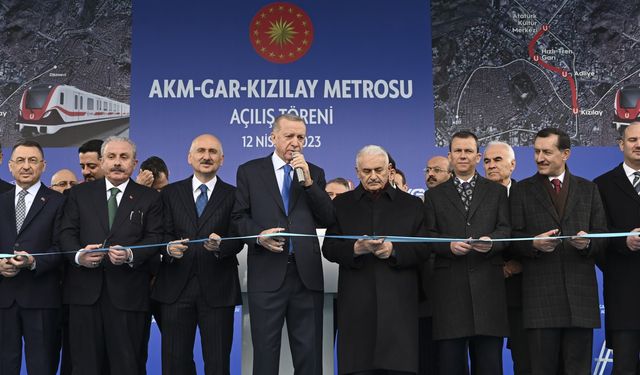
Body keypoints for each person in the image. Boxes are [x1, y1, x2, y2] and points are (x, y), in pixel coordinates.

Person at [232, 114, 334, 375]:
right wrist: (258, 235)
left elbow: (327, 218)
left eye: (301, 137)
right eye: (289, 136)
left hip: (306, 276)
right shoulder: (250, 171)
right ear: (273, 137)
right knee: (265, 355)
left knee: (309, 356)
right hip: (266, 274)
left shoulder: (315, 173)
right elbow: (238, 217)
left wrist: (309, 183)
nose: (295, 142)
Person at [59, 136, 163, 375]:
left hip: (129, 297)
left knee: (127, 366)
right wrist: (78, 256)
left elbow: (156, 238)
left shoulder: (150, 197)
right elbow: (66, 233)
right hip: (84, 296)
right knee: (85, 367)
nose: (118, 163)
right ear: (102, 162)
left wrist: (129, 254)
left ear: (134, 163)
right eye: (112, 157)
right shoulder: (79, 194)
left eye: (124, 157)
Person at [323, 145, 429, 375]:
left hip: (400, 308)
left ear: (390, 170)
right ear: (357, 172)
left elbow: (424, 248)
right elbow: (329, 248)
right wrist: (355, 249)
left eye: (378, 170)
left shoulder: (412, 205)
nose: (373, 176)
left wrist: (394, 251)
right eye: (367, 171)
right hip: (356, 307)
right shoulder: (341, 204)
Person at [510, 128, 607, 375]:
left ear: (565, 154)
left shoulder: (589, 189)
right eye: (536, 151)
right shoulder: (521, 190)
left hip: (580, 299)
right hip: (539, 300)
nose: (539, 157)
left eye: (547, 152)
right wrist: (532, 243)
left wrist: (588, 243)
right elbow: (512, 238)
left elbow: (602, 238)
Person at [152, 134, 243, 375]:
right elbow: (158, 235)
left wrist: (222, 246)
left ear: (222, 160)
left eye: (213, 152)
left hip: (218, 289)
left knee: (217, 364)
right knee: (175, 363)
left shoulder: (235, 194)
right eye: (201, 151)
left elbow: (239, 237)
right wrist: (167, 248)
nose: (206, 156)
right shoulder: (170, 193)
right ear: (189, 158)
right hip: (175, 288)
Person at [424, 131, 510, 375]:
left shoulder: (496, 192)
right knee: (451, 367)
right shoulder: (433, 196)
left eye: (468, 151)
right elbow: (427, 236)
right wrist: (447, 245)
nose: (463, 156)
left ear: (478, 156)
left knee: (490, 366)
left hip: (488, 293)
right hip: (449, 295)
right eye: (458, 151)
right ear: (449, 156)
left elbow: (506, 230)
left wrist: (492, 242)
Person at [0, 140, 65, 375]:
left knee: (42, 367)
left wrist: (33, 261)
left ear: (43, 166)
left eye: (32, 160)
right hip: (4, 301)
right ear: (10, 166)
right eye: (20, 160)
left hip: (42, 300)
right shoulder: (1, 200)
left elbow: (62, 248)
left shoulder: (59, 202)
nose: (26, 166)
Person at [593, 121, 640, 374]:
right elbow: (596, 236)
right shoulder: (602, 185)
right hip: (624, 296)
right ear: (621, 145)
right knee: (625, 367)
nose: (639, 145)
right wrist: (624, 241)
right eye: (632, 140)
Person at [483, 141, 529, 375]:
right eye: (487, 161)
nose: (491, 166)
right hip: (483, 293)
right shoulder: (474, 198)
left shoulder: (529, 195)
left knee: (524, 360)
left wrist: (516, 266)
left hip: (521, 294)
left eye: (497, 160)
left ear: (513, 165)